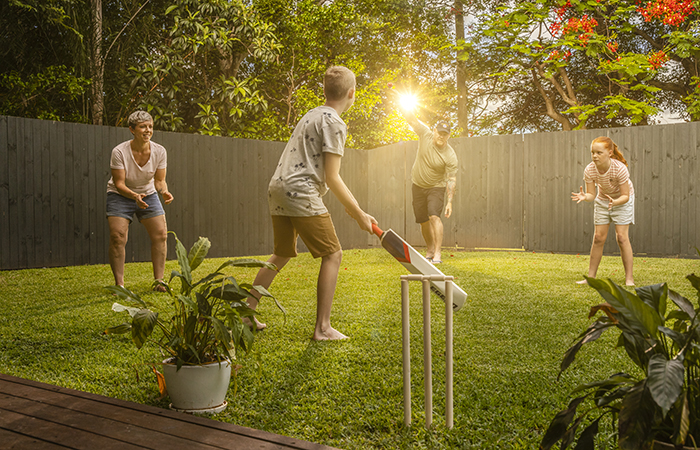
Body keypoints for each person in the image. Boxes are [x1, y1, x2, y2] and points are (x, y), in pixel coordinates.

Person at [246, 66, 376, 340]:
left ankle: (246, 312)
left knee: (281, 253)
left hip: (278, 187)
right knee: (333, 254)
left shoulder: (311, 114)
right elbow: (333, 176)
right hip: (301, 191)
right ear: (352, 93)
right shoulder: (335, 123)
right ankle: (323, 328)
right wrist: (359, 214)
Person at [106, 110, 174, 291]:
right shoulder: (119, 151)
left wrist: (164, 192)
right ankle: (119, 285)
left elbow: (159, 181)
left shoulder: (159, 151)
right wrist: (134, 196)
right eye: (143, 127)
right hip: (120, 195)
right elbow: (119, 183)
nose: (148, 130)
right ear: (132, 129)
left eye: (150, 126)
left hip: (148, 194)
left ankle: (159, 282)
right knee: (117, 237)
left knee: (161, 235)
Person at [571, 136, 634, 286]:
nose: (594, 156)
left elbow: (625, 195)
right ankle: (590, 278)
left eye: (599, 153)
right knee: (598, 237)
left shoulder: (619, 169)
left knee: (622, 238)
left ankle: (629, 279)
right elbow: (592, 194)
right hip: (603, 200)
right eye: (593, 152)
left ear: (610, 153)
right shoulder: (590, 169)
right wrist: (585, 196)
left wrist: (615, 202)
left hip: (623, 201)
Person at [399, 106, 458, 263]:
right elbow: (411, 119)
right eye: (439, 132)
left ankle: (437, 254)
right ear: (434, 131)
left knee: (434, 216)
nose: (441, 136)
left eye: (445, 134)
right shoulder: (424, 133)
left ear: (449, 136)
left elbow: (451, 178)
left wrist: (450, 202)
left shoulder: (450, 155)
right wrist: (403, 104)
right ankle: (430, 249)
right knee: (422, 220)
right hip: (417, 185)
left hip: (436, 187)